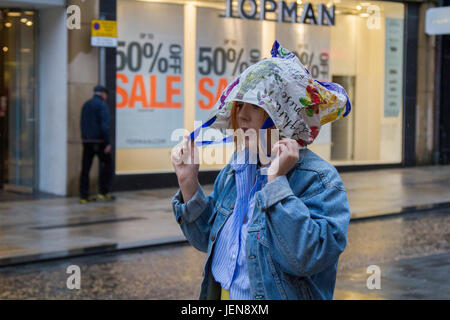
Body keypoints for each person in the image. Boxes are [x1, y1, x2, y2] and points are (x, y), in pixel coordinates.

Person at [171, 41, 351, 300]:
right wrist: (188, 183)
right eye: (240, 105)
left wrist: (276, 183)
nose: (242, 116)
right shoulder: (236, 169)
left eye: (255, 106)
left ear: (283, 113)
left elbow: (306, 259)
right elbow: (205, 240)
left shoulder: (320, 179)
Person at [79, 85, 114, 203]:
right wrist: (107, 143)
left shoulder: (86, 104)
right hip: (100, 142)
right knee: (108, 164)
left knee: (85, 169)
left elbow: (82, 124)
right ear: (103, 94)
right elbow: (104, 126)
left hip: (87, 142)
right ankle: (103, 192)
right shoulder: (102, 105)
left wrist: (84, 138)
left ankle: (84, 196)